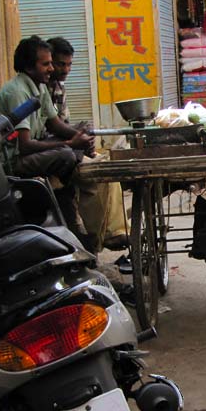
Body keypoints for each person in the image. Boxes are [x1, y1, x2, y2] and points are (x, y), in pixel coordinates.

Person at [0, 35, 95, 243]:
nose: (51, 69)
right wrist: (71, 143)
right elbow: (25, 145)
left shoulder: (40, 86)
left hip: (36, 149)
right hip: (15, 160)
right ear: (29, 67)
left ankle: (67, 184)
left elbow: (55, 123)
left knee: (84, 129)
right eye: (46, 64)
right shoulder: (17, 92)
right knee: (67, 154)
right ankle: (66, 186)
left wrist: (81, 136)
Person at [45, 36, 130, 256]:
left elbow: (62, 124)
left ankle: (112, 231)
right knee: (98, 174)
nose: (65, 69)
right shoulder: (37, 89)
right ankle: (99, 235)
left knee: (108, 165)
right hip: (50, 154)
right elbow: (50, 130)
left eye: (69, 65)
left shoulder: (58, 88)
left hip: (61, 147)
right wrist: (77, 138)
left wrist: (82, 135)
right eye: (60, 64)